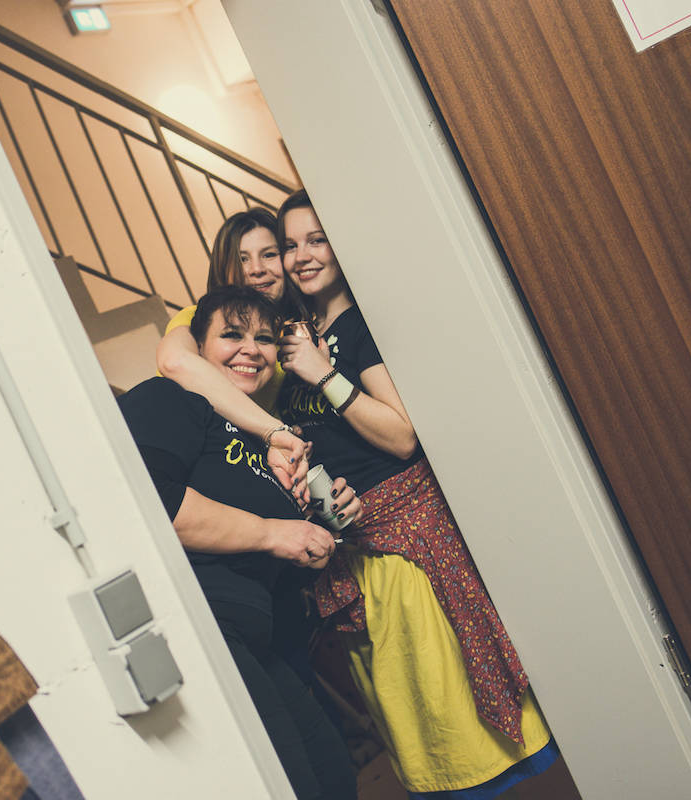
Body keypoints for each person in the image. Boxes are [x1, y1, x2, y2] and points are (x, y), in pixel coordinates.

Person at [274, 190, 559, 799]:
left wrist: (323, 375)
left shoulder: (358, 328)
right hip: (351, 552)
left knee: (456, 716)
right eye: (290, 245)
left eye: (316, 240)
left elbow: (402, 435)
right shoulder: (300, 336)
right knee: (419, 725)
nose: (302, 256)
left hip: (404, 546)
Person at [119, 286, 359, 800]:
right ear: (198, 348)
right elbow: (151, 505)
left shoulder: (261, 442)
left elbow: (282, 567)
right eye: (232, 335)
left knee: (334, 774)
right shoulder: (167, 399)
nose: (251, 349)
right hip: (202, 626)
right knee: (294, 784)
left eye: (265, 339)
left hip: (257, 637)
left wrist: (320, 531)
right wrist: (275, 532)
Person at [156, 208, 311, 496]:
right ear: (223, 269)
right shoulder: (197, 318)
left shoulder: (287, 339)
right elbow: (174, 361)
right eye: (242, 259)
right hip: (182, 463)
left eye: (269, 254)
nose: (256, 269)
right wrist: (276, 430)